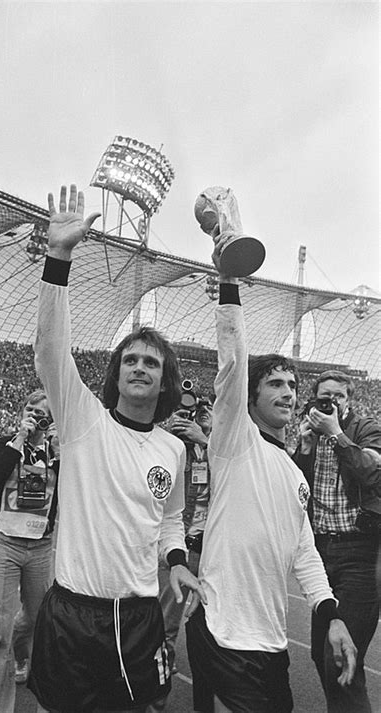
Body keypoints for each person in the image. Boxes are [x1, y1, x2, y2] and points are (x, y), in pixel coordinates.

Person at [28, 184, 206, 713]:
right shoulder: (84, 422)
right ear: (117, 373)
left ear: (164, 380)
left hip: (138, 616)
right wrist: (58, 257)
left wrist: (175, 560)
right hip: (72, 611)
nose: (138, 367)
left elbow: (170, 519)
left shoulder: (172, 450)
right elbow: (49, 351)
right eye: (130, 360)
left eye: (150, 363)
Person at [185, 232, 357, 713]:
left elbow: (303, 552)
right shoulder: (234, 442)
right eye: (275, 383)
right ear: (252, 396)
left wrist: (332, 614)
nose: (287, 392)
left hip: (269, 644)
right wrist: (228, 283)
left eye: (292, 385)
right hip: (222, 634)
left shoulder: (293, 474)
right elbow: (233, 362)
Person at [293, 370, 381, 713]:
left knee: (342, 659)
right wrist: (304, 448)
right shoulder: (311, 436)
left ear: (349, 400)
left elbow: (372, 473)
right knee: (321, 653)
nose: (331, 402)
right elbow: (297, 492)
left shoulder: (366, 429)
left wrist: (337, 434)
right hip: (321, 552)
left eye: (338, 396)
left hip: (360, 551)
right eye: (323, 396)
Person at [0, 390, 59, 713]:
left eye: (44, 412)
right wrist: (19, 440)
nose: (37, 415)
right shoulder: (7, 443)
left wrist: (57, 451)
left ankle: (23, 657)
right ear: (22, 412)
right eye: (31, 409)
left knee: (37, 617)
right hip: (6, 545)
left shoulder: (58, 451)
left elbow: (73, 489)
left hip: (40, 547)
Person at [148, 397, 213, 713]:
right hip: (175, 549)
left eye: (201, 415)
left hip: (211, 549)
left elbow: (238, 475)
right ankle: (156, 694)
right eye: (187, 416)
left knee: (209, 626)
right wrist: (168, 432)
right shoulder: (165, 447)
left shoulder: (215, 448)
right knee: (165, 623)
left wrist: (206, 438)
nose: (194, 421)